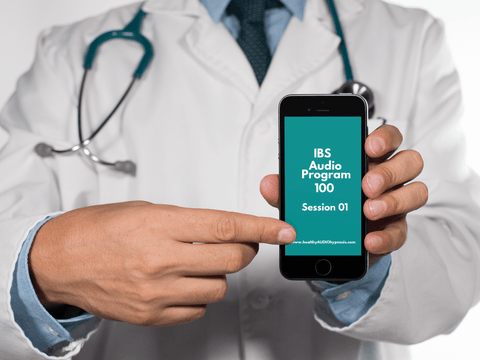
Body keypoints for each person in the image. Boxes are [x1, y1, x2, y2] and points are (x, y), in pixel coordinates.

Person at [0, 0, 479, 359]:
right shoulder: (69, 52)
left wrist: (367, 263)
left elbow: (461, 252)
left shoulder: (410, 37)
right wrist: (43, 268)